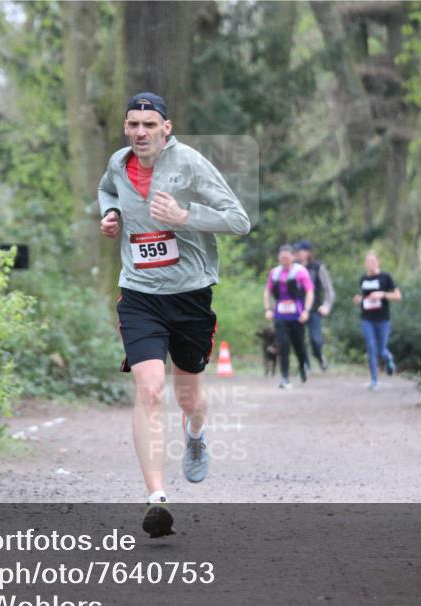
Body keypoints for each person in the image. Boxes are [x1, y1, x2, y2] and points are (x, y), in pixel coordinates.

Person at [97, 92, 250, 538]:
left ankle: (196, 435)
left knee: (189, 398)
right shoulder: (117, 163)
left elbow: (237, 219)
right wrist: (110, 214)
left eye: (149, 125)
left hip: (189, 296)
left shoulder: (191, 163)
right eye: (133, 125)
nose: (140, 132)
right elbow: (108, 190)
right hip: (139, 293)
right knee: (148, 389)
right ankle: (156, 498)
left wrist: (184, 215)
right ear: (126, 128)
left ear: (167, 127)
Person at [263, 245, 314, 389]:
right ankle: (284, 377)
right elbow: (267, 291)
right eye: (282, 257)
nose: (284, 259)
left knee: (299, 345)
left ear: (293, 257)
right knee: (283, 345)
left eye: (287, 257)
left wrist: (307, 311)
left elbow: (309, 291)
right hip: (280, 315)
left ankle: (303, 365)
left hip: (297, 315)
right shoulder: (274, 273)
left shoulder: (300, 272)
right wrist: (267, 309)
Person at [351, 251, 401, 390]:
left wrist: (383, 294)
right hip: (367, 319)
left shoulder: (385, 277)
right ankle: (374, 381)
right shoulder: (363, 279)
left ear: (378, 262)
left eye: (373, 261)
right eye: (368, 261)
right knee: (371, 348)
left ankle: (388, 358)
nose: (370, 264)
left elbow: (397, 296)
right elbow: (365, 297)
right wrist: (359, 299)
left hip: (383, 319)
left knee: (381, 349)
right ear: (365, 264)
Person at [293, 240, 335, 370]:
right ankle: (305, 364)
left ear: (307, 252)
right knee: (299, 339)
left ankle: (320, 356)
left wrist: (327, 306)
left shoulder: (317, 267)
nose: (296, 254)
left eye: (299, 251)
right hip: (297, 309)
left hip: (314, 309)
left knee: (315, 340)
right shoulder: (293, 268)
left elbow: (329, 289)